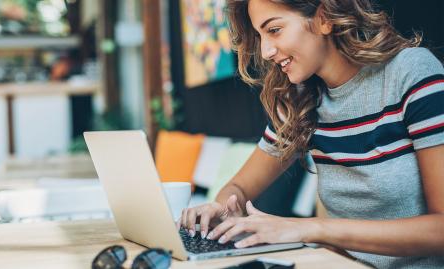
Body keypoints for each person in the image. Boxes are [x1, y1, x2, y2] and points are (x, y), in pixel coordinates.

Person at [178, 0, 444, 268]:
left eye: (274, 30)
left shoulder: (411, 73)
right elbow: (239, 188)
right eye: (260, 36)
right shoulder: (302, 100)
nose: (266, 51)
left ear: (324, 17)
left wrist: (309, 228)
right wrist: (219, 207)